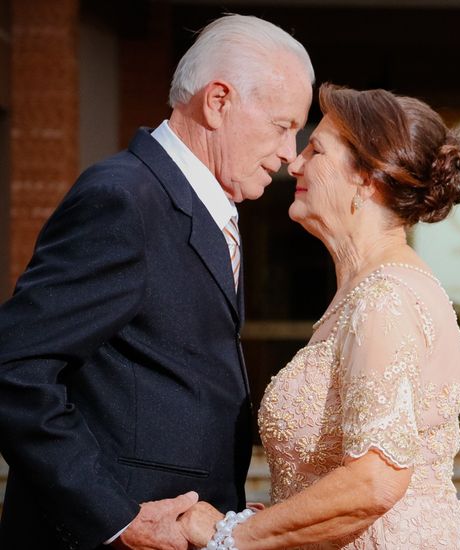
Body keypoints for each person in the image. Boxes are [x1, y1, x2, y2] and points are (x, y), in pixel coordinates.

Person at [0, 14, 313, 550]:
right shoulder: (125, 199)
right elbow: (15, 365)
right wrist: (114, 518)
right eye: (283, 125)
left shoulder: (212, 207)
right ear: (218, 101)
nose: (291, 152)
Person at [178, 83, 460, 549]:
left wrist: (233, 536)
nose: (294, 163)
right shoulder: (365, 291)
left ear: (367, 177)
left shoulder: (384, 299)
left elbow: (374, 481)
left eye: (315, 150)